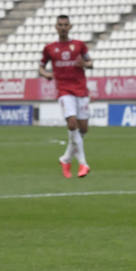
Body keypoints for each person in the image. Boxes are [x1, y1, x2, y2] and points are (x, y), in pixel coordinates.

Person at [38, 14, 92, 178]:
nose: (63, 27)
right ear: (56, 27)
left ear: (70, 27)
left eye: (65, 25)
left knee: (83, 129)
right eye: (60, 25)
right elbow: (41, 67)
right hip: (64, 90)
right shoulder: (50, 48)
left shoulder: (79, 45)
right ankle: (83, 163)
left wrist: (84, 64)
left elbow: (91, 63)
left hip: (81, 90)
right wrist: (46, 74)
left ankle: (66, 158)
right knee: (72, 123)